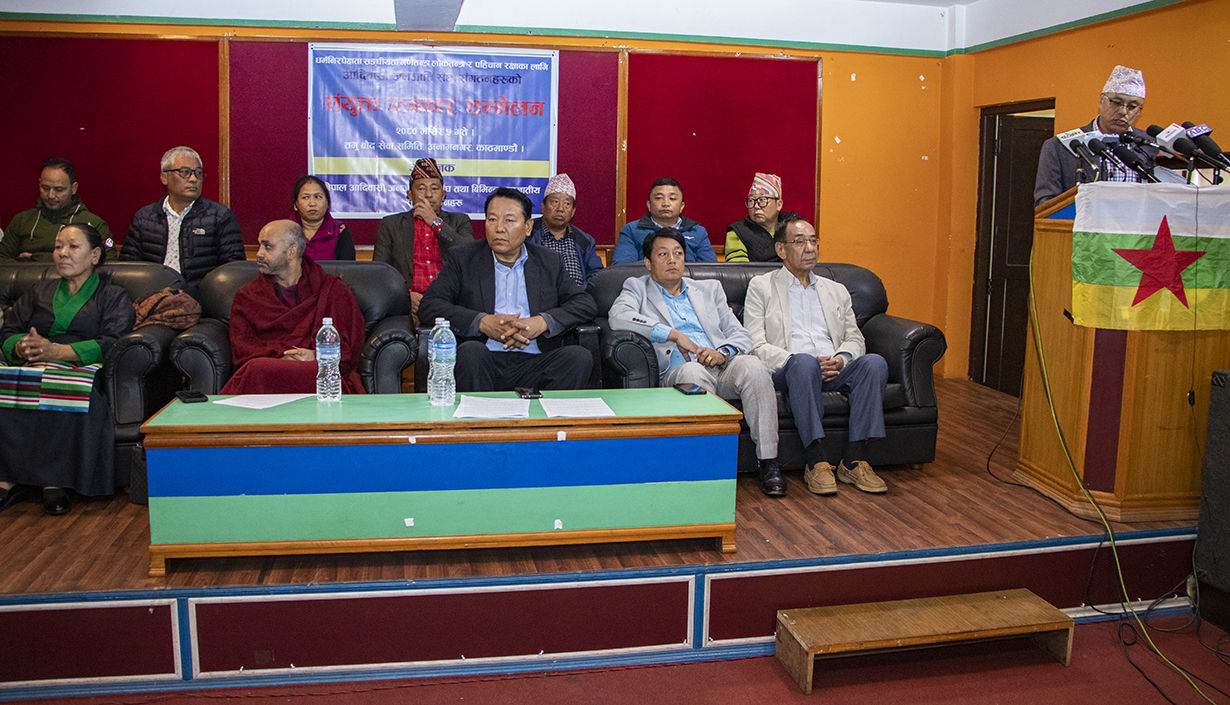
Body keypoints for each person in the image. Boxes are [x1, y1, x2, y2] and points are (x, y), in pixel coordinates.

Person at [608, 227, 784, 496]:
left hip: (722, 365)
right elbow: (618, 316)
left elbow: (740, 334)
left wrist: (723, 352)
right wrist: (674, 334)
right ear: (648, 262)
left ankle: (769, 461)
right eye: (663, 254)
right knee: (693, 372)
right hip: (678, 369)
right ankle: (708, 466)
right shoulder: (637, 287)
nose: (672, 260)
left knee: (755, 367)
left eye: (678, 253)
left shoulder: (709, 289)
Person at [743, 220, 889, 495]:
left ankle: (854, 460)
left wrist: (842, 358)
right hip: (790, 369)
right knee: (804, 363)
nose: (810, 248)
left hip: (834, 368)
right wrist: (798, 359)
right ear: (781, 249)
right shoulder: (762, 287)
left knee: (874, 363)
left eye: (813, 241)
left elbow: (855, 338)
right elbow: (755, 343)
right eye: (800, 242)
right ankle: (816, 460)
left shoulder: (836, 290)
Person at [0, 223, 135, 516]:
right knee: (10, 385)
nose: (63, 253)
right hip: (33, 362)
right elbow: (9, 330)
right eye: (58, 246)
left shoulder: (112, 295)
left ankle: (54, 481)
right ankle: (7, 476)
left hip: (79, 366)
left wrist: (57, 352)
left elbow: (113, 340)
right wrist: (23, 347)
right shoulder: (38, 291)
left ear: (95, 255)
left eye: (73, 247)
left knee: (59, 386)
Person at [418, 187, 597, 393]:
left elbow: (585, 304)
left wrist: (542, 322)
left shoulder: (549, 261)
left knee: (578, 357)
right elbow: (430, 305)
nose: (499, 228)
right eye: (492, 219)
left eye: (509, 220)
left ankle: (544, 415)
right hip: (483, 360)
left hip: (535, 361)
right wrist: (481, 322)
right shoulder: (463, 258)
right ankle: (478, 414)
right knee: (471, 352)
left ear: (528, 226)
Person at [221, 220, 366, 395]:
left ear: (291, 251)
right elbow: (242, 350)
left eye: (268, 247)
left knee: (323, 370)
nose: (259, 254)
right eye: (260, 246)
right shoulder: (248, 296)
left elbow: (351, 349)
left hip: (314, 369)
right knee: (255, 368)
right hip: (267, 370)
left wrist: (315, 355)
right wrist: (281, 356)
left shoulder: (332, 289)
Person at [121, 146, 245, 297]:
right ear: (164, 177)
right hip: (152, 298)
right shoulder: (144, 218)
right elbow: (129, 268)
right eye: (185, 172)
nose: (193, 179)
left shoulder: (220, 216)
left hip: (201, 300)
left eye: (198, 173)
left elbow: (232, 272)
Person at [1034, 65, 1158, 206]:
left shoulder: (1148, 144)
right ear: (1101, 101)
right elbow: (1045, 202)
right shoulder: (1060, 146)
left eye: (1132, 106)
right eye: (1117, 103)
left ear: (1139, 111)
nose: (1123, 112)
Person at [374, 157, 474, 323]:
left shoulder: (459, 221)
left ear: (443, 195)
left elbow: (469, 253)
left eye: (434, 189)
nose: (428, 194)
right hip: (406, 302)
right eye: (421, 188)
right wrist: (406, 295)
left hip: (449, 301)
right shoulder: (391, 224)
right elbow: (380, 271)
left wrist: (435, 222)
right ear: (409, 195)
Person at [0, 157, 118, 262]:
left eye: (59, 189)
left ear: (73, 188)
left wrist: (38, 259)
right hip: (27, 280)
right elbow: (2, 262)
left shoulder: (94, 225)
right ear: (39, 184)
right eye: (45, 188)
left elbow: (109, 268)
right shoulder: (21, 221)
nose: (51, 195)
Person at [611, 178, 716, 264]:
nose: (666, 203)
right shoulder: (631, 230)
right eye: (659, 198)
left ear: (681, 206)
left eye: (672, 198)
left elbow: (711, 270)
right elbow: (622, 268)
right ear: (649, 205)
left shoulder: (698, 232)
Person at [528, 173, 603, 288]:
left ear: (573, 211)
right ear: (543, 206)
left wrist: (582, 295)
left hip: (576, 297)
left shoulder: (585, 241)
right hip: (538, 297)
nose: (560, 209)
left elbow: (596, 275)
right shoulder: (527, 234)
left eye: (567, 204)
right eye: (555, 202)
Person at [723, 172, 800, 263]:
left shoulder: (795, 227)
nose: (756, 206)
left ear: (779, 205)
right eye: (751, 200)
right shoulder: (737, 232)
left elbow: (806, 261)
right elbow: (740, 269)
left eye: (762, 200)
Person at [290, 175, 355, 261]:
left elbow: (348, 268)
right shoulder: (284, 232)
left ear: (327, 203)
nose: (312, 203)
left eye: (317, 197)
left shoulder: (340, 231)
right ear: (295, 204)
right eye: (305, 197)